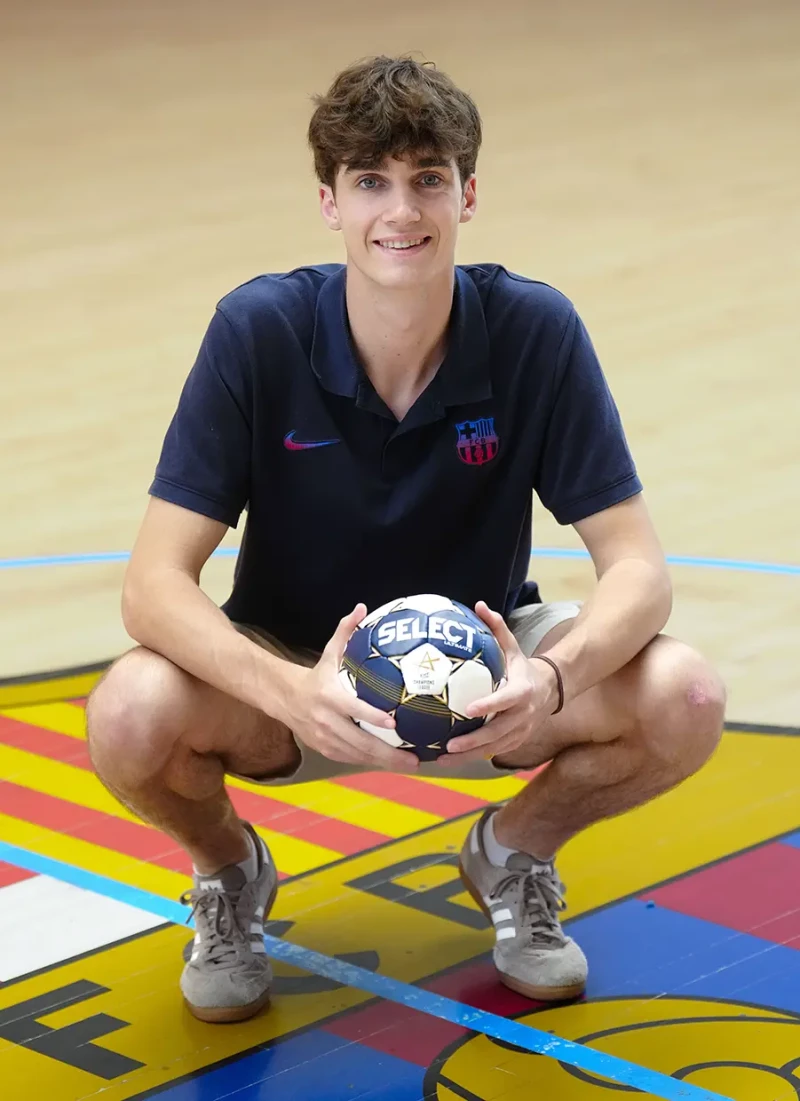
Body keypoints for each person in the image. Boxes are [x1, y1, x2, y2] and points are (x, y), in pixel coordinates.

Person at [86, 55, 726, 1024]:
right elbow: (151, 587)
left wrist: (548, 681)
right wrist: (286, 690)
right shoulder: (259, 330)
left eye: (427, 177)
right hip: (292, 679)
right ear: (329, 202)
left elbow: (636, 567)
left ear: (466, 193)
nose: (402, 209)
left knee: (684, 693)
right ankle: (228, 873)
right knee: (128, 711)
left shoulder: (531, 329)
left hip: (487, 684)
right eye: (371, 181)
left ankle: (511, 853)